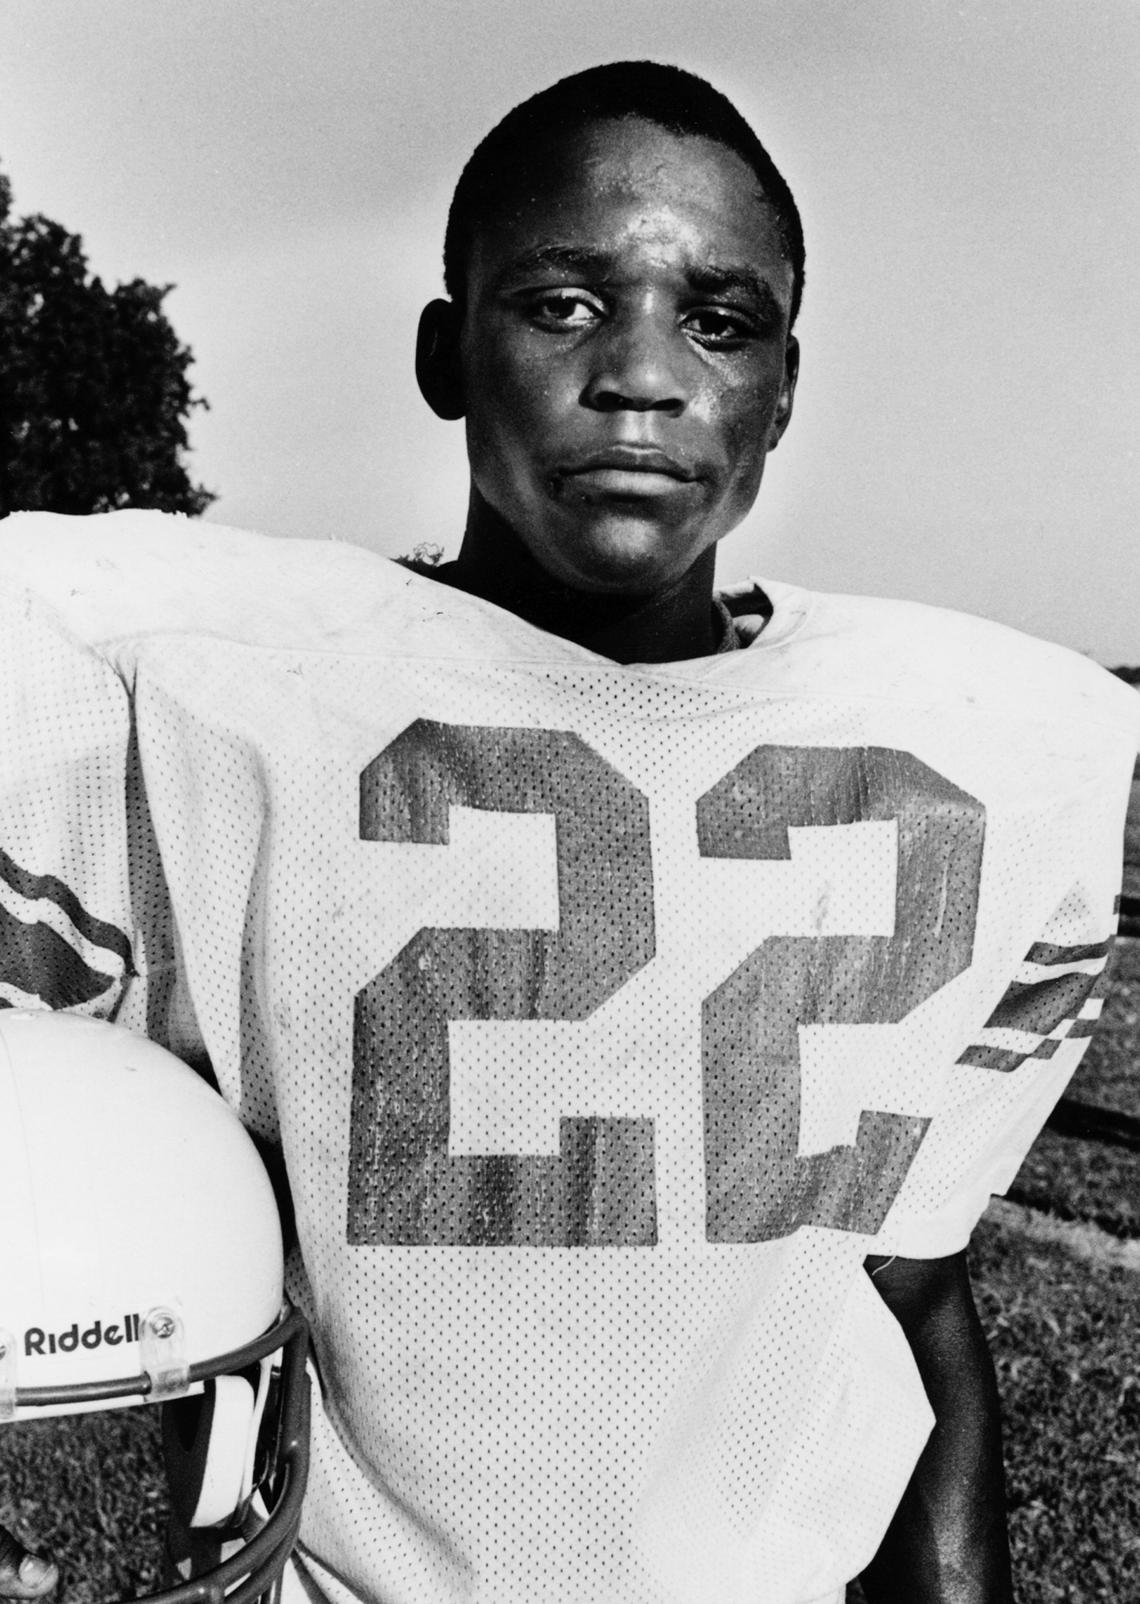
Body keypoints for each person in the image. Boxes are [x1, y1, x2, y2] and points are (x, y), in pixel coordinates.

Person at [0, 60, 1136, 1604]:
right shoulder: (192, 686)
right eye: (566, 305)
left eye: (719, 322)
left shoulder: (972, 750)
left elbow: (909, 1294)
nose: (645, 376)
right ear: (444, 352)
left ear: (786, 386)